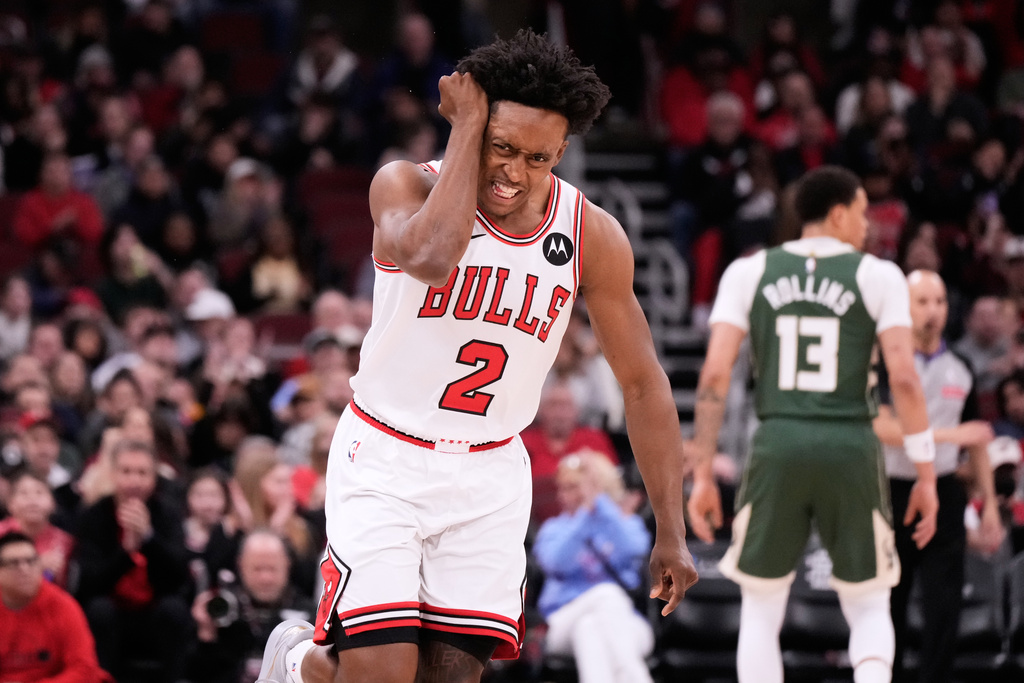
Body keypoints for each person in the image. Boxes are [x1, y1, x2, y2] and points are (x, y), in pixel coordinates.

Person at [257, 29, 697, 683]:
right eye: (501, 147)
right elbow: (432, 260)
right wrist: (466, 130)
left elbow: (642, 383)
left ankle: (310, 664)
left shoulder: (591, 235)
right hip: (386, 456)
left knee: (448, 677)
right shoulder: (403, 184)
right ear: (475, 127)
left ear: (563, 153)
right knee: (381, 672)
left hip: (489, 474)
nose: (515, 172)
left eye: (538, 157)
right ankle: (295, 660)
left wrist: (672, 526)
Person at [687, 165, 939, 683]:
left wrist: (705, 470)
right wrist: (926, 470)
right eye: (865, 213)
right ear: (840, 212)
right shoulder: (878, 275)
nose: (869, 226)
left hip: (777, 440)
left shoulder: (748, 271)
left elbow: (714, 374)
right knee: (869, 604)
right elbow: (907, 381)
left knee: (760, 606)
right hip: (850, 442)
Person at [874, 270, 1002, 682]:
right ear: (904, 307)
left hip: (945, 492)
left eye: (940, 302)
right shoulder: (884, 360)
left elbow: (978, 439)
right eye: (923, 302)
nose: (933, 311)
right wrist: (951, 434)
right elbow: (884, 429)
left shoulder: (960, 366)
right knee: (887, 604)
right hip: (890, 492)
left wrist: (991, 511)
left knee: (944, 606)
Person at [74, 439, 192, 683]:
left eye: (142, 473)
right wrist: (126, 553)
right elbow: (90, 583)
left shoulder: (167, 513)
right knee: (98, 610)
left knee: (175, 610)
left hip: (155, 614)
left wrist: (148, 539)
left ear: (154, 477)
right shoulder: (93, 516)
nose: (134, 481)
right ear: (113, 475)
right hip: (113, 614)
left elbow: (179, 578)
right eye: (126, 472)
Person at [533, 452, 654, 683]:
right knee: (606, 594)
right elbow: (556, 562)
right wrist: (585, 516)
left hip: (624, 620)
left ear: (601, 486)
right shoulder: (554, 528)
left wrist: (599, 505)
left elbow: (636, 549)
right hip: (561, 621)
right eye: (562, 488)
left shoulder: (625, 523)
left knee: (589, 630)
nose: (564, 496)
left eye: (574, 487)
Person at [0, 530, 108, 683]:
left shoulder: (63, 605)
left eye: (31, 561)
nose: (24, 569)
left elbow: (84, 668)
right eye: (13, 563)